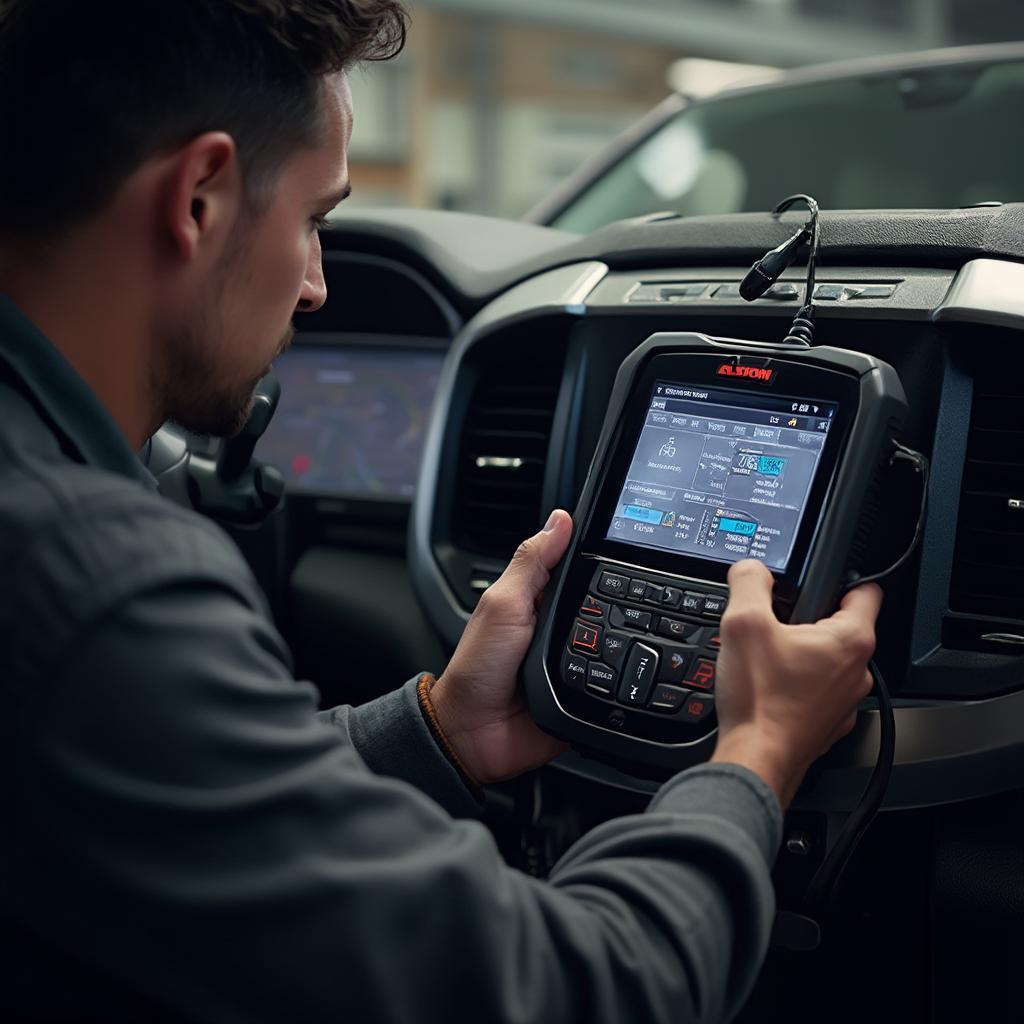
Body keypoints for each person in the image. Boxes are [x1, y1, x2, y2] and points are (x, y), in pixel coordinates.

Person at [0, 1, 881, 1021]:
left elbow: (146, 785)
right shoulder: (91, 581)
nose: (319, 286)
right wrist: (757, 755)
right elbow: (570, 991)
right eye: (314, 220)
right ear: (198, 197)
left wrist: (438, 729)